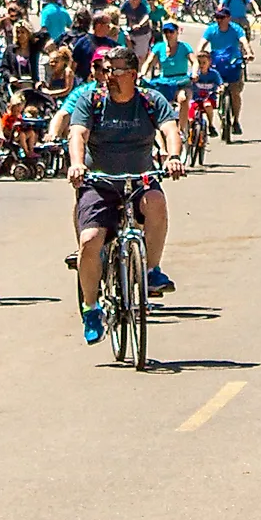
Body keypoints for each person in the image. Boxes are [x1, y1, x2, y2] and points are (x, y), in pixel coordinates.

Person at [65, 50, 185, 343]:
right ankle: (91, 308)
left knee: (156, 202)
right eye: (106, 70)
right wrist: (77, 164)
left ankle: (151, 269)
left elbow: (171, 130)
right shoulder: (92, 100)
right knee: (90, 241)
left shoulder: (150, 101)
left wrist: (173, 157)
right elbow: (78, 134)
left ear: (132, 74)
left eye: (115, 71)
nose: (109, 77)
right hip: (100, 184)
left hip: (140, 179)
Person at [202, 10, 249, 131]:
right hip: (217, 64)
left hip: (233, 63)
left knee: (235, 92)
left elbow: (244, 41)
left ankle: (236, 120)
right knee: (212, 90)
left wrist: (249, 52)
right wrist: (199, 55)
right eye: (217, 17)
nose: (219, 20)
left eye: (222, 18)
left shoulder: (236, 29)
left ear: (228, 18)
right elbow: (202, 44)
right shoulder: (211, 29)